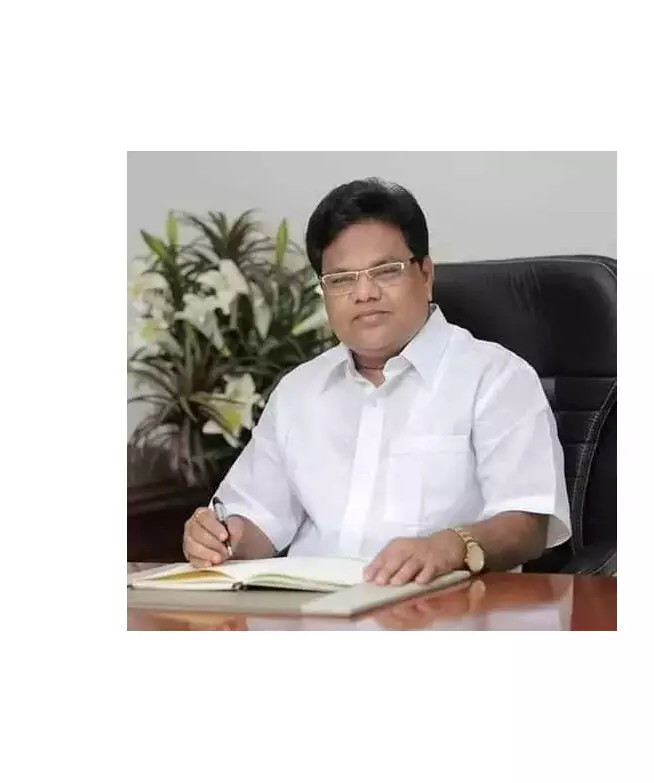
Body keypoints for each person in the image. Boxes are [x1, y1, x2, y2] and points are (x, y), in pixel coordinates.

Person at [183, 178, 571, 585]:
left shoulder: (497, 378)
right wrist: (223, 538)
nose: (364, 293)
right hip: (310, 609)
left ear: (425, 274)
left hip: (440, 608)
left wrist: (452, 545)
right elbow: (256, 521)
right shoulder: (299, 391)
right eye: (341, 279)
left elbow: (527, 523)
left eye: (385, 271)